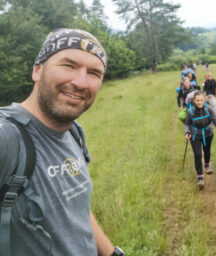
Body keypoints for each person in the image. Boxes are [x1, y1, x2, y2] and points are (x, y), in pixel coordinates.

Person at [0, 28, 124, 256]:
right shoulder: (7, 137)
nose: (81, 82)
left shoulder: (74, 132)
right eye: (69, 65)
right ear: (37, 70)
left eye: (94, 73)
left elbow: (77, 209)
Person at [184, 91, 216, 188]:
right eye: (197, 100)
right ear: (194, 100)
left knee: (207, 151)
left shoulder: (209, 109)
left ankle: (206, 165)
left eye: (201, 100)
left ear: (204, 100)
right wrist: (187, 132)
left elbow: (215, 119)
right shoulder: (190, 111)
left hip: (208, 134)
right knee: (197, 154)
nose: (200, 102)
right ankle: (200, 177)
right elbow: (187, 124)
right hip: (195, 135)